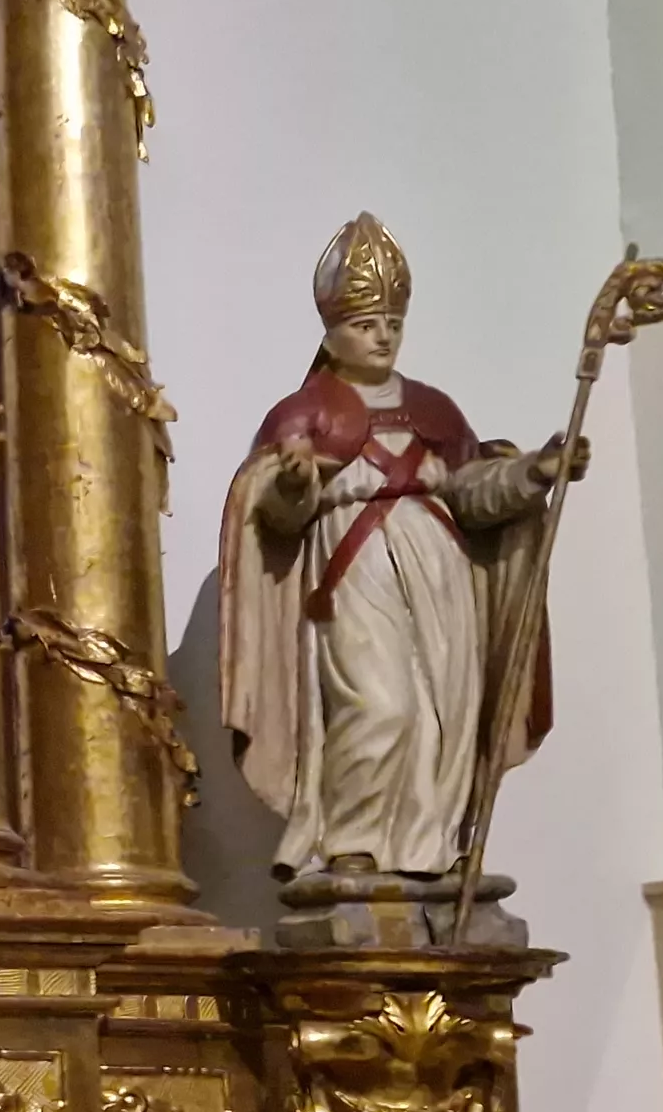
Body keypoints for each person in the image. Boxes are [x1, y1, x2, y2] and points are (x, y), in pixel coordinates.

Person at [218, 214, 582, 881]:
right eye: (365, 324)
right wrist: (294, 481)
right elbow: (274, 517)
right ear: (331, 333)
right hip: (355, 570)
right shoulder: (301, 413)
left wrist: (534, 473)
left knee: (443, 715)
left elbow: (473, 492)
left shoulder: (435, 408)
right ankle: (353, 841)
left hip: (441, 571)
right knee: (380, 704)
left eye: (392, 324)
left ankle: (429, 848)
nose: (382, 336)